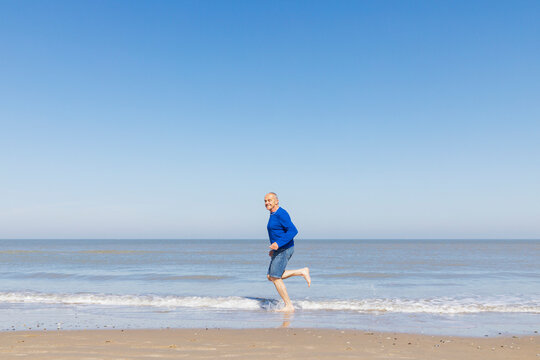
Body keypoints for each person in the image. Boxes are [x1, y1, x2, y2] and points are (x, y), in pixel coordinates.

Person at [264, 192, 310, 312]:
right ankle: (302, 271)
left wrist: (278, 244)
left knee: (275, 277)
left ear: (276, 201)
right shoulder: (273, 214)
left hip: (285, 248)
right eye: (265, 201)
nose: (267, 203)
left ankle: (289, 305)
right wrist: (274, 249)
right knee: (270, 276)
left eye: (269, 200)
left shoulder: (281, 213)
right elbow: (278, 232)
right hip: (279, 249)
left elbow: (293, 230)